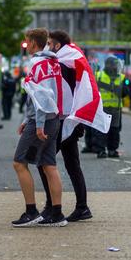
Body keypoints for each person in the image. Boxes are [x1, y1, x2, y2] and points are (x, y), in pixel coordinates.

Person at [36, 29, 93, 223]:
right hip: (71, 120)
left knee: (44, 161)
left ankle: (52, 207)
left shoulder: (62, 63)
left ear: (57, 45)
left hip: (64, 120)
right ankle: (82, 207)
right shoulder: (70, 59)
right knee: (72, 165)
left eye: (50, 43)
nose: (48, 46)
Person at [12, 28, 65, 227]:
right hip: (54, 118)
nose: (26, 45)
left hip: (42, 120)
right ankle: (57, 214)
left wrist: (36, 123)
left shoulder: (36, 63)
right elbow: (48, 94)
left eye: (27, 42)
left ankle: (31, 211)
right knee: (49, 165)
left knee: (19, 163)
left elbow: (40, 96)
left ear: (33, 43)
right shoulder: (54, 62)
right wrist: (29, 118)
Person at [93, 56, 129, 158]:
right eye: (114, 65)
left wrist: (122, 89)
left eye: (116, 65)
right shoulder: (99, 75)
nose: (115, 67)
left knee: (115, 130)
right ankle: (101, 150)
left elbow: (126, 92)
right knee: (101, 130)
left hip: (115, 108)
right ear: (108, 65)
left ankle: (112, 150)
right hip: (102, 108)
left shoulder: (121, 77)